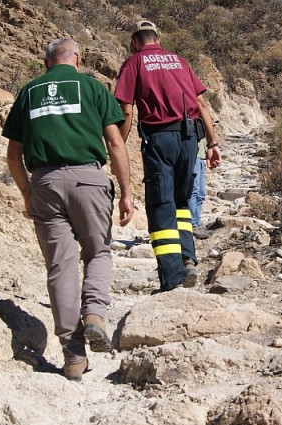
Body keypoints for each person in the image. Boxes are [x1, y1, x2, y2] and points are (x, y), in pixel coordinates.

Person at [3, 38, 134, 382]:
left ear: (46, 62)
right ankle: (93, 315)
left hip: (45, 183)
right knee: (98, 253)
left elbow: (13, 155)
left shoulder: (29, 92)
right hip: (89, 179)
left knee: (60, 268)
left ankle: (73, 357)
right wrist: (126, 192)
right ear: (77, 58)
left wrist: (27, 193)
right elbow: (116, 141)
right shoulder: (91, 87)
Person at [114, 20, 221, 292]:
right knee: (181, 201)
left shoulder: (135, 62)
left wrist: (119, 143)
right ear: (158, 40)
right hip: (189, 139)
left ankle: (172, 278)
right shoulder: (179, 61)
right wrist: (212, 143)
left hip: (159, 139)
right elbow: (201, 103)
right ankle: (188, 259)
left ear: (135, 42)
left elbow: (126, 109)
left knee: (161, 204)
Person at [188, 138, 210, 239]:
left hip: (201, 158)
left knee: (201, 194)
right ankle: (193, 224)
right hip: (193, 157)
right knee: (194, 191)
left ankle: (198, 223)